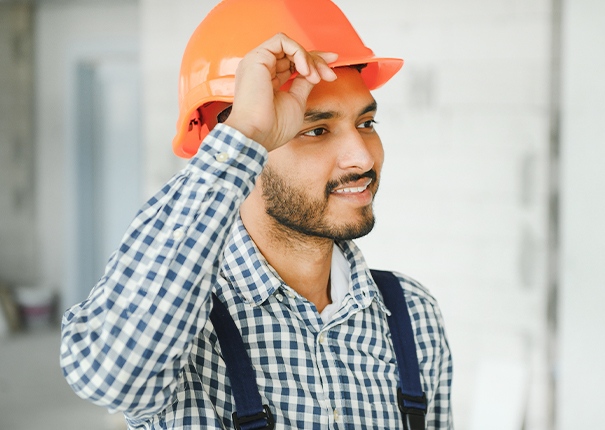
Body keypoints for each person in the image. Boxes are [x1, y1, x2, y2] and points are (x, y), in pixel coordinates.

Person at [58, 0, 453, 428]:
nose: (361, 158)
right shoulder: (183, 327)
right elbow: (105, 377)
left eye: (366, 123)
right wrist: (243, 132)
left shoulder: (412, 315)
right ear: (239, 145)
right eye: (315, 130)